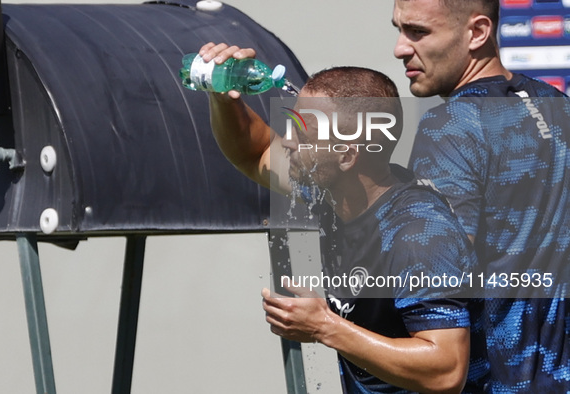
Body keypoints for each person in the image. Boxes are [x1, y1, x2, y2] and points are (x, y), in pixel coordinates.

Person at [196, 42, 489, 393]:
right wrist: (223, 97)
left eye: (301, 134)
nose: (287, 142)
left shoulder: (418, 234)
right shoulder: (328, 192)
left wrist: (324, 326)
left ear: (347, 156)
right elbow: (255, 152)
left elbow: (445, 370)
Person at [393, 0, 570, 391]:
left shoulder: (451, 124)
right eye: (399, 30)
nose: (400, 48)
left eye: (418, 32)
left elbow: (439, 277)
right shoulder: (557, 104)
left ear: (477, 32)